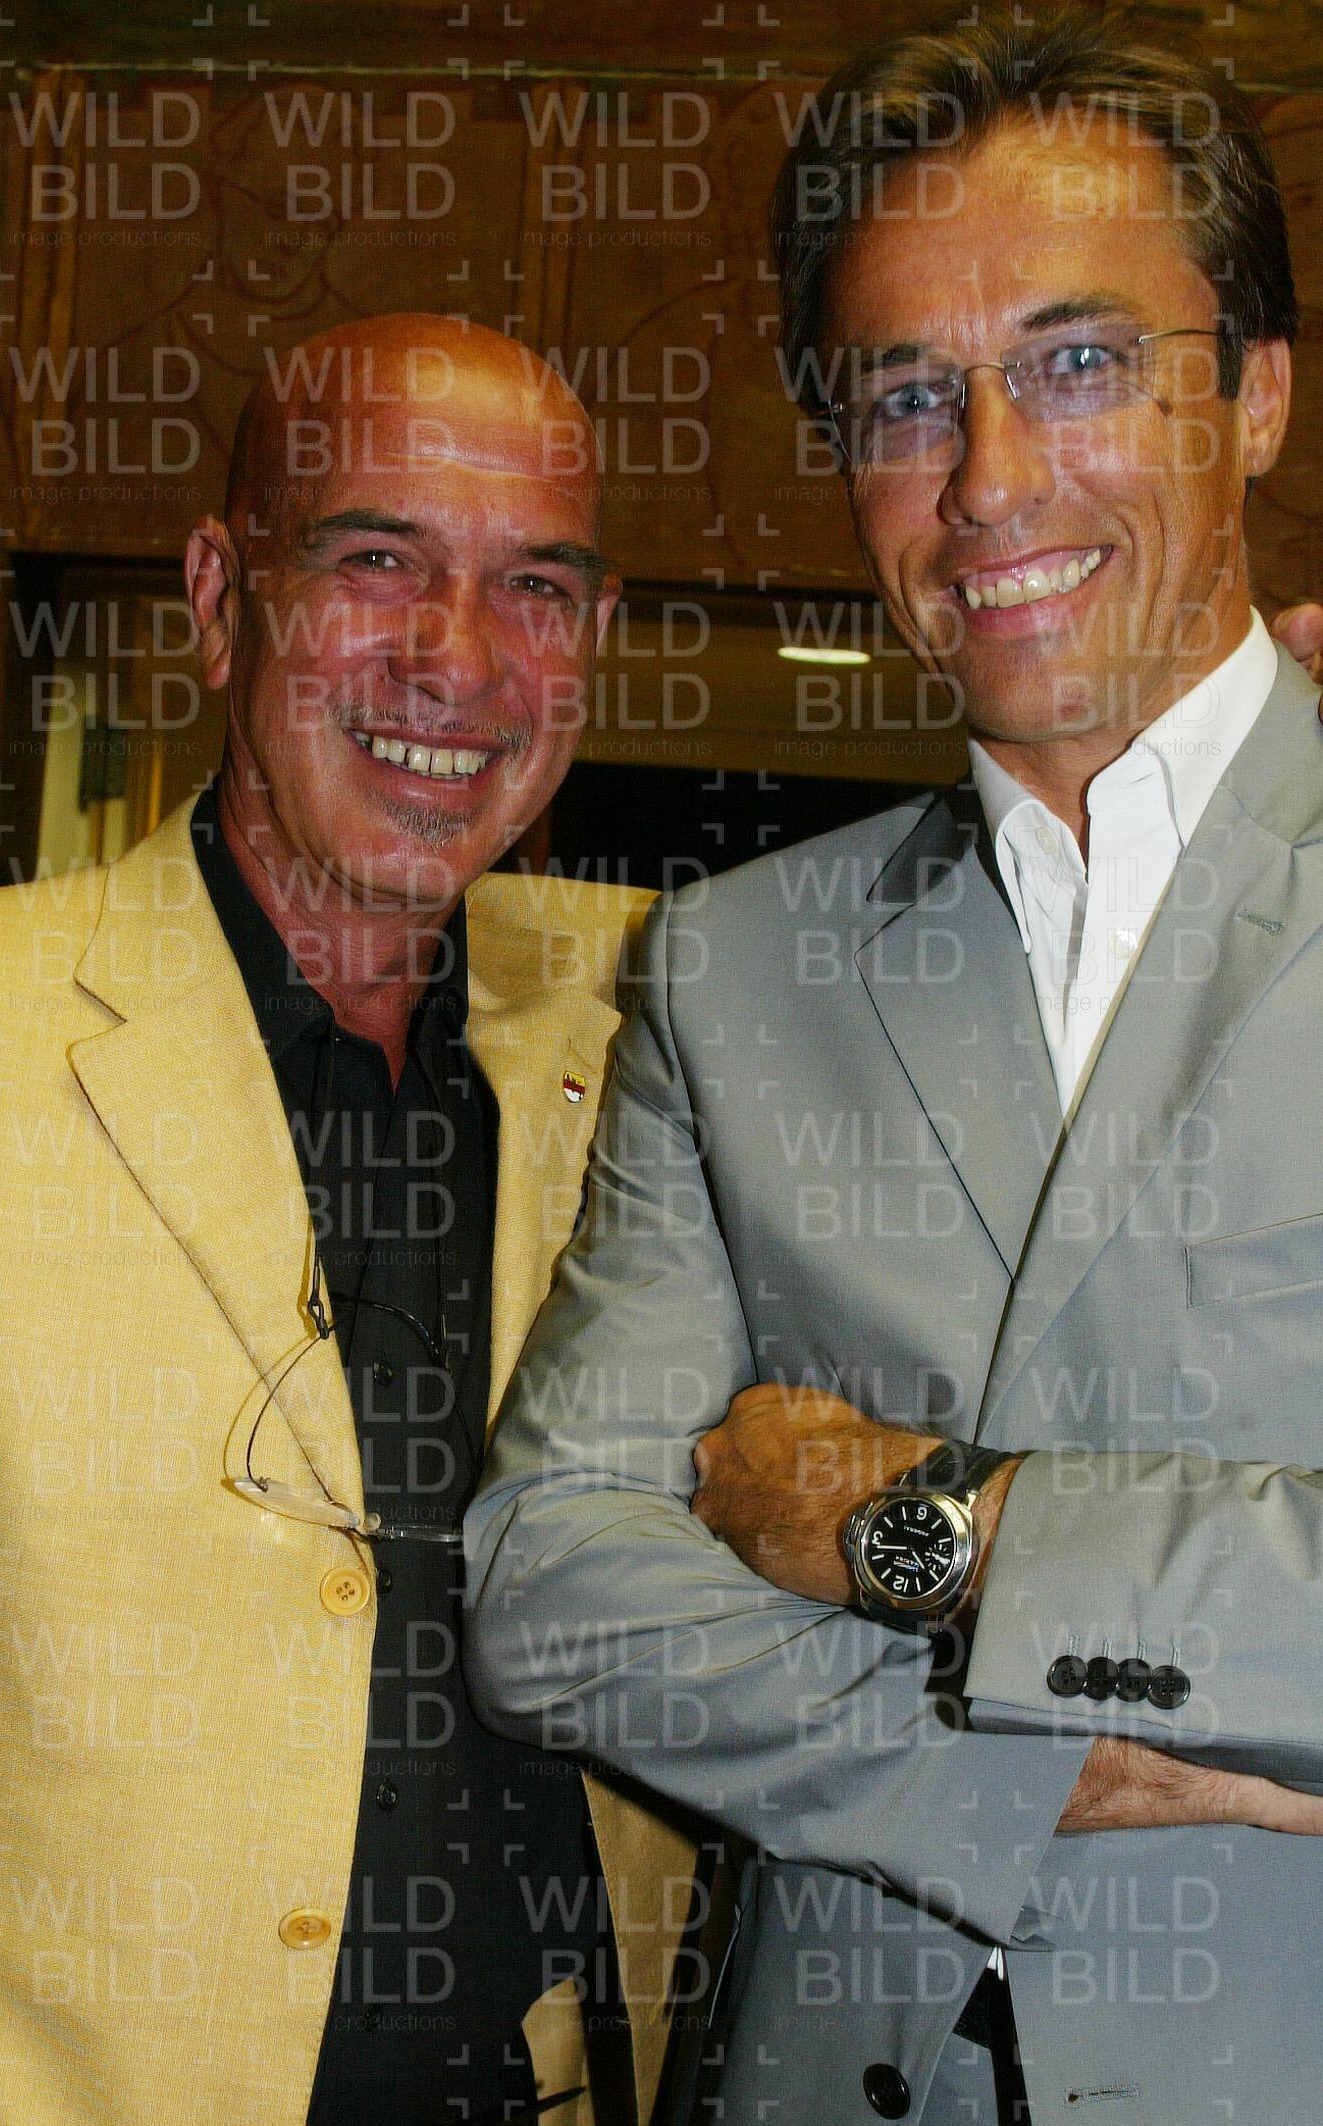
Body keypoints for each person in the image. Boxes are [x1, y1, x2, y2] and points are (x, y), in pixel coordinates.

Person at [466, 14, 1323, 2124]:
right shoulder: (740, 964)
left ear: (1258, 392)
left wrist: (914, 1521)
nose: (989, 480)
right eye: (906, 396)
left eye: (1077, 361)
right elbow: (552, 1577)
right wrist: (982, 1772)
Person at [0, 314, 704, 2126]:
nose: (457, 658)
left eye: (536, 587)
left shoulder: (668, 1027)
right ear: (219, 597)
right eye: (376, 561)